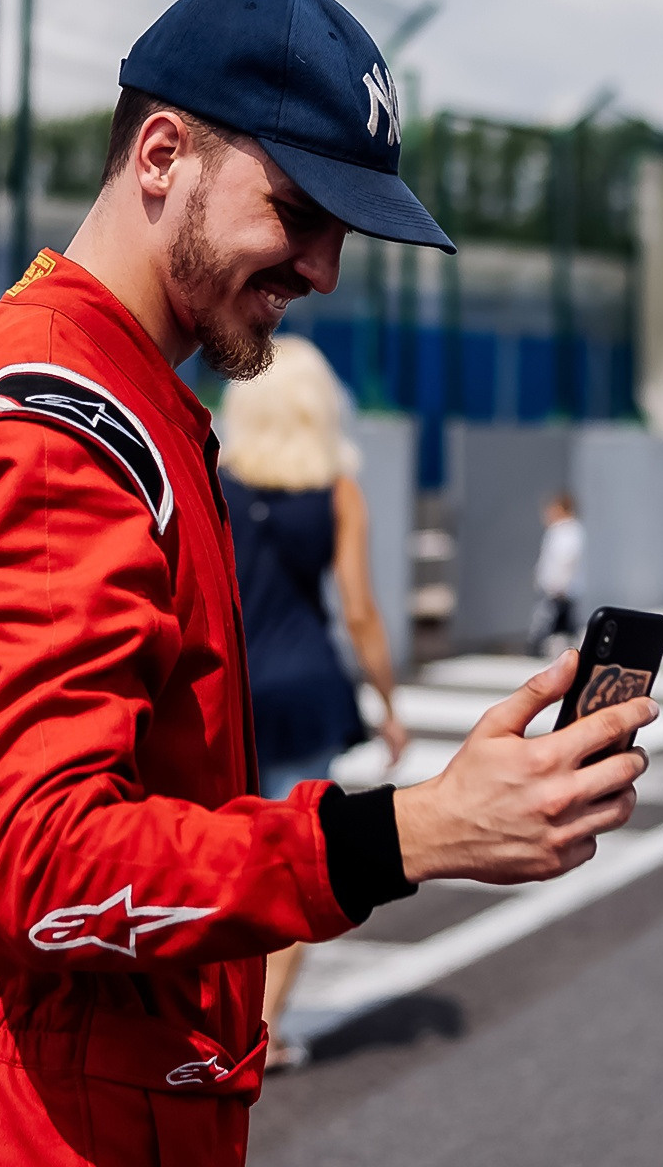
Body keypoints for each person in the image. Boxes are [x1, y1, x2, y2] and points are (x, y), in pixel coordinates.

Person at [0, 0, 656, 1166]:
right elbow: (50, 868)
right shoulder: (63, 423)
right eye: (296, 209)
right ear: (162, 153)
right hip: (33, 1108)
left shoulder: (100, 379)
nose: (323, 268)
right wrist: (414, 833)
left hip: (77, 1087)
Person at [216, 334, 411, 1071]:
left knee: (218, 853)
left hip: (227, 689)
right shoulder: (337, 491)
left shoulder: (213, 477)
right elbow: (359, 608)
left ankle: (210, 1016)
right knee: (295, 861)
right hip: (304, 689)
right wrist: (388, 702)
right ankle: (258, 1030)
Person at [530, 492, 585, 654]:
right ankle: (570, 651)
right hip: (557, 587)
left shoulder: (568, 531)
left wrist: (559, 584)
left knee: (550, 621)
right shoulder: (559, 530)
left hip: (561, 588)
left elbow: (565, 560)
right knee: (563, 623)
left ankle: (536, 648)